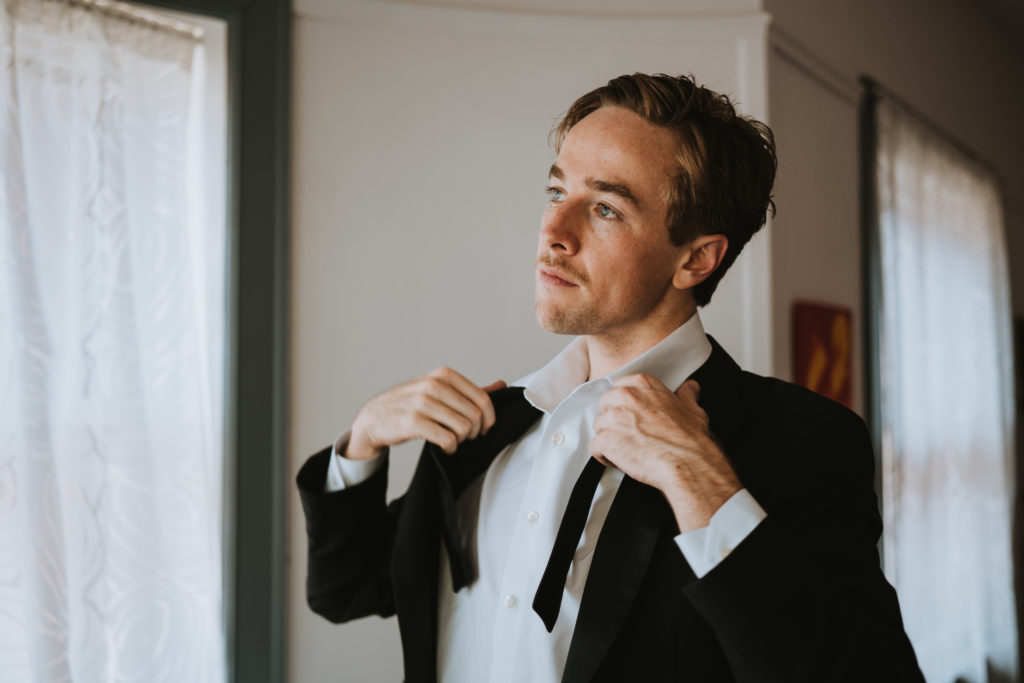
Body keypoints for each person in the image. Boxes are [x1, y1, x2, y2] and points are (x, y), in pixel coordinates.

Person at [296, 73, 924, 683]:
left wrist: (701, 483)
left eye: (604, 208)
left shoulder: (800, 441)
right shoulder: (491, 427)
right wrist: (362, 443)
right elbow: (346, 590)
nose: (553, 232)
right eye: (555, 192)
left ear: (696, 258)